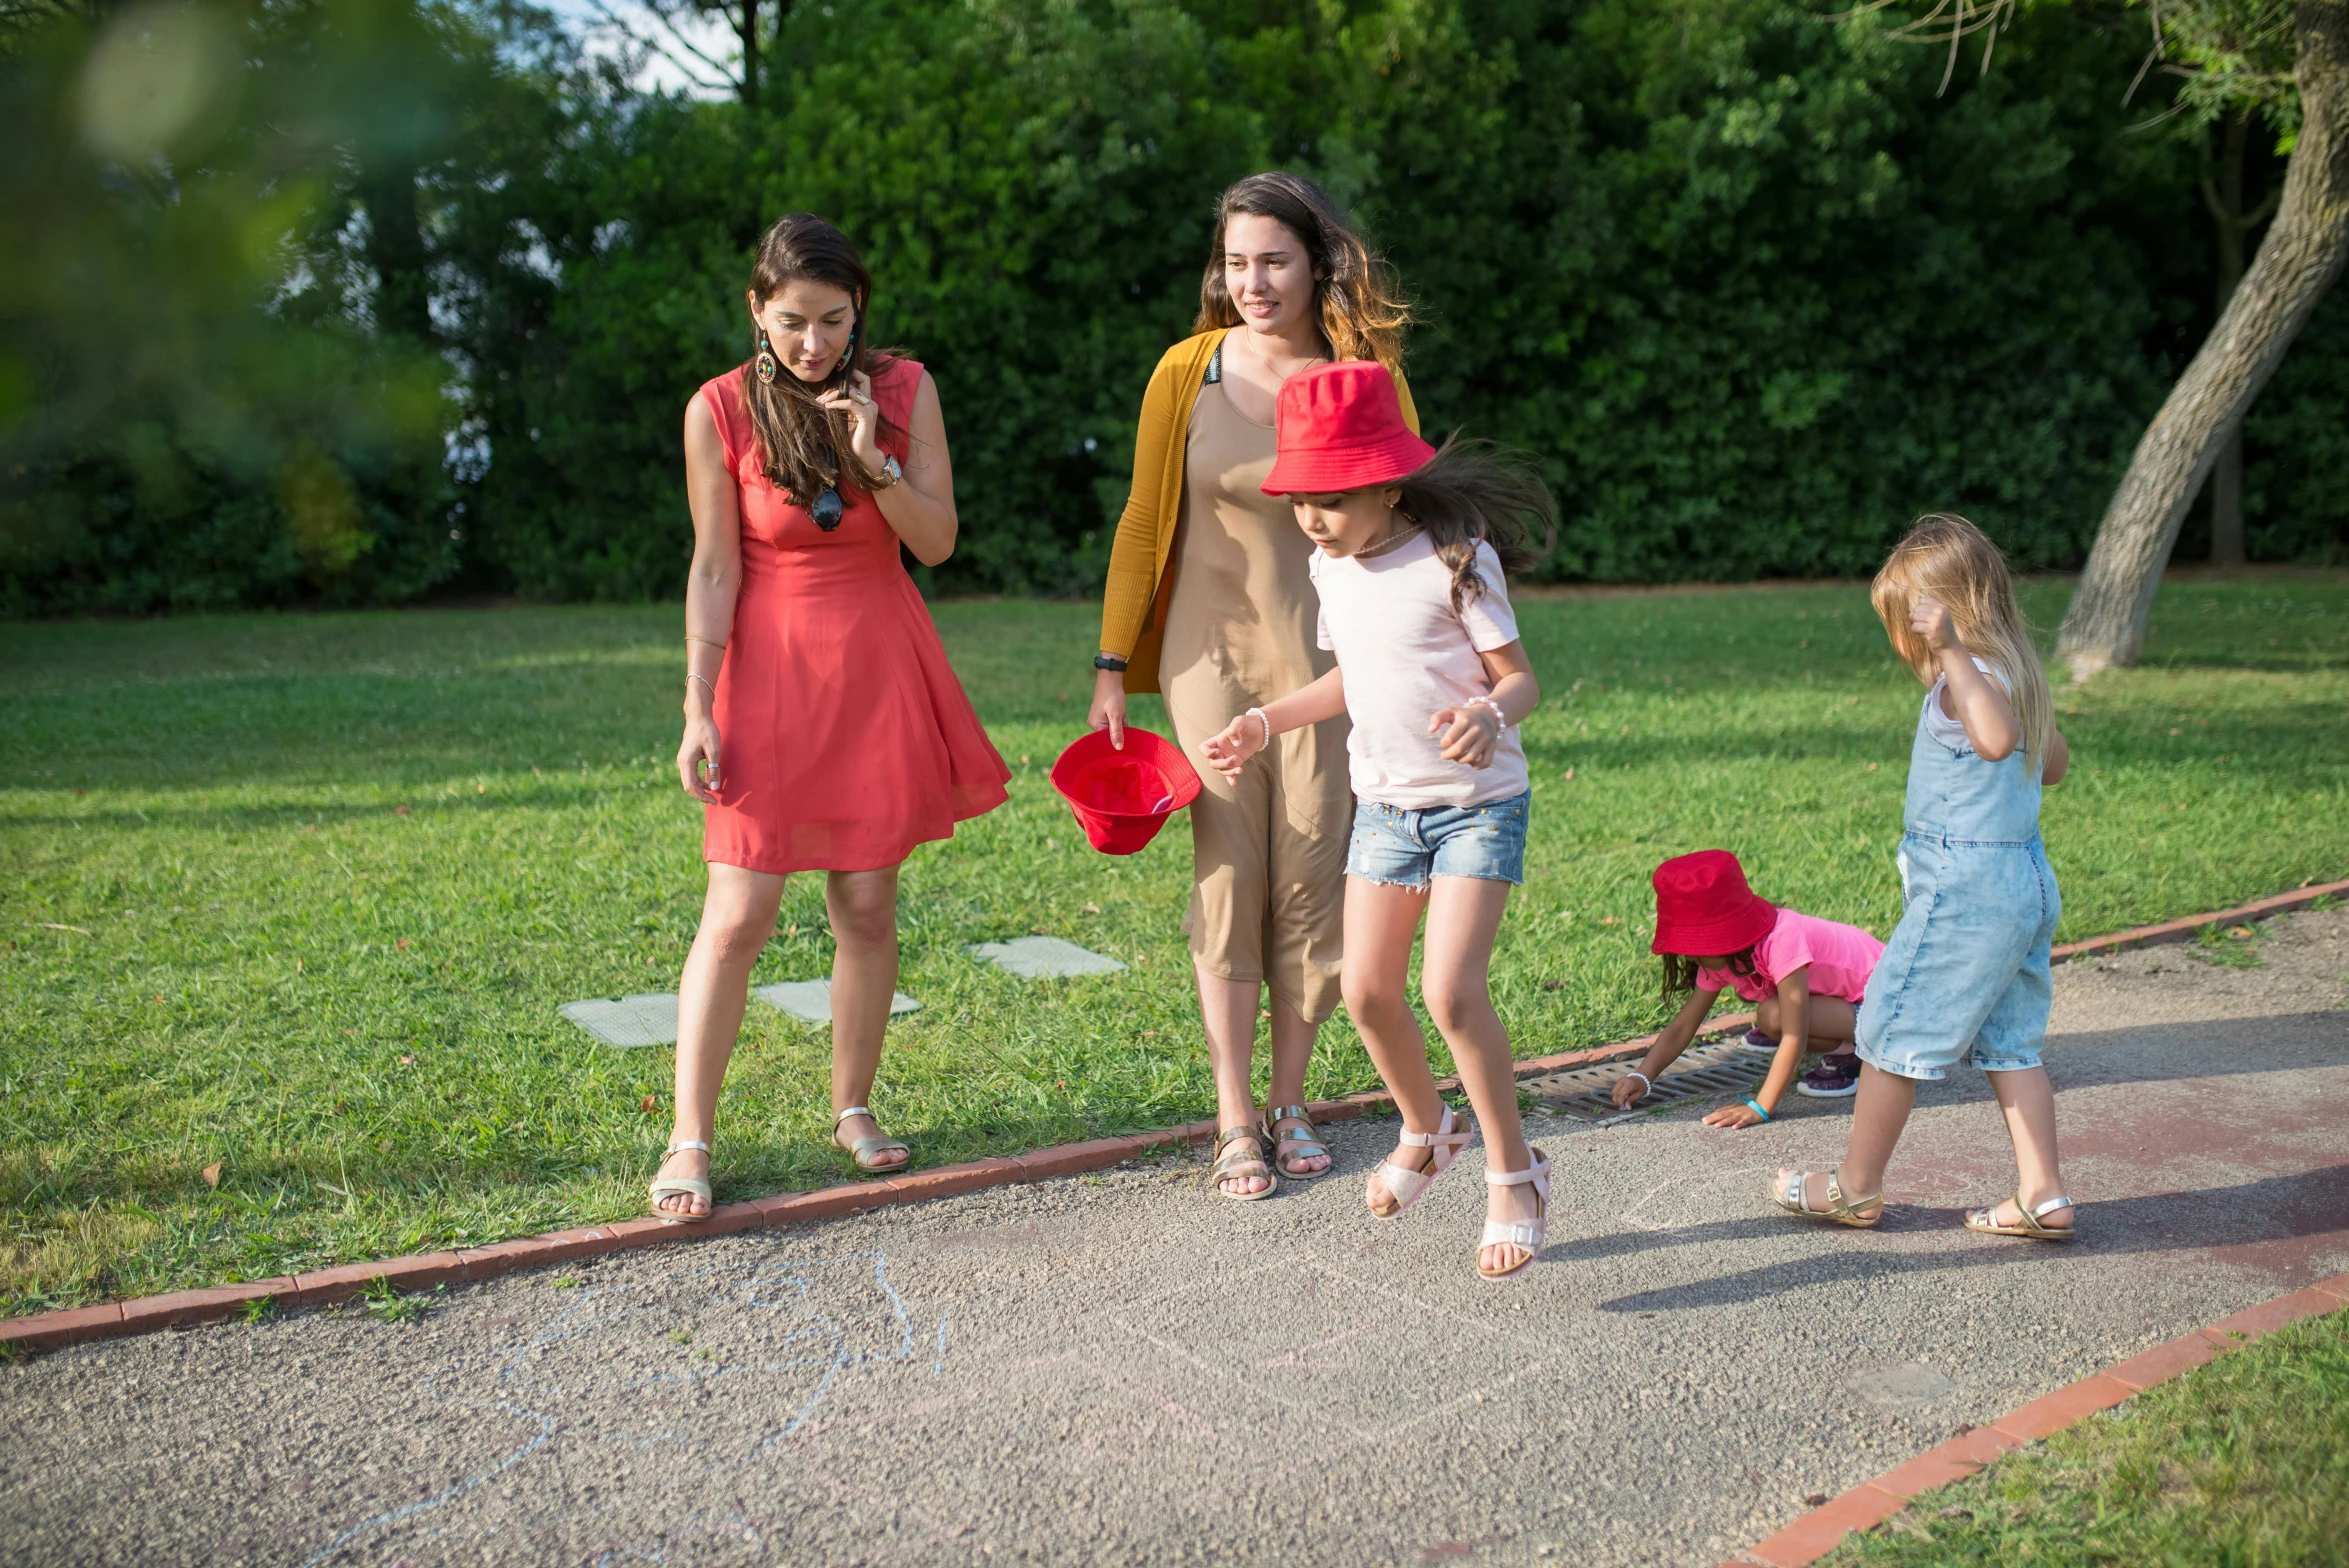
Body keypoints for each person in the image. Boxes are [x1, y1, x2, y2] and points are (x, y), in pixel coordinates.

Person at [651, 214, 1010, 1222]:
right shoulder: (717, 409)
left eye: (835, 321)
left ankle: (853, 1104)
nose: (815, 344)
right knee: (740, 911)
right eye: (794, 322)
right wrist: (696, 705)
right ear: (758, 311)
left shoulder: (904, 390)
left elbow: (935, 544)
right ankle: (690, 1134)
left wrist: (873, 457)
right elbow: (715, 565)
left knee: (865, 902)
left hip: (875, 662)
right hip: (765, 670)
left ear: (861, 314)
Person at [1089, 172, 1418, 1200]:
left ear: (1318, 260)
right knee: (1229, 870)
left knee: (1316, 867)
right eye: (1235, 262)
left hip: (1330, 661)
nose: (1253, 281)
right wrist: (1111, 664)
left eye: (1272, 259)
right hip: (1204, 655)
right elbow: (1145, 518)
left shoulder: (1366, 376)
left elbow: (1412, 508)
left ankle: (1291, 1098)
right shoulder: (1185, 370)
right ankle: (1233, 1113)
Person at [1202, 360, 1556, 1279]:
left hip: (1474, 809)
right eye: (1299, 501)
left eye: (1332, 498)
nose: (1312, 519)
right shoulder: (1331, 565)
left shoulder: (1455, 559)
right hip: (1387, 810)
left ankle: (1514, 1173)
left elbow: (1519, 679)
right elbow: (1352, 677)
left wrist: (1488, 713)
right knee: (1363, 991)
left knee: (1450, 991)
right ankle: (1426, 1129)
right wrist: (1266, 719)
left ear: (1387, 482)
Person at [1771, 514, 2076, 1240]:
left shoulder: (1962, 682)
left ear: (1940, 618)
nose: (1904, 645)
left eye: (1907, 628)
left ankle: (1855, 1187)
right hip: (2024, 885)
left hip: (1965, 891)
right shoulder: (2013, 678)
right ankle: (2042, 1192)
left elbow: (1998, 742)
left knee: (1887, 1028)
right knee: (2010, 1042)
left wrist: (1950, 655)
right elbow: (2052, 765)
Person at [1612, 850, 1885, 1124]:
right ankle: (1846, 1044)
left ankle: (1853, 1056)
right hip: (1854, 1004)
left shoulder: (1782, 940)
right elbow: (1684, 1025)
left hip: (1894, 1006)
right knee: (1772, 1018)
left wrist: (1760, 1107)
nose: (1691, 956)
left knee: (1776, 1017)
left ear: (1725, 934)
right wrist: (1642, 1076)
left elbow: (1795, 1036)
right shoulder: (1721, 957)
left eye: (1696, 943)